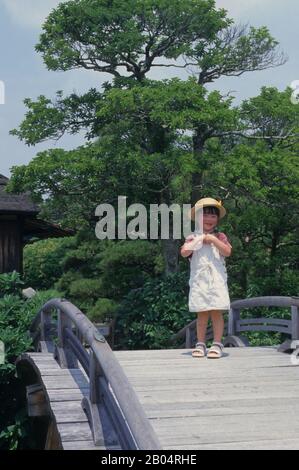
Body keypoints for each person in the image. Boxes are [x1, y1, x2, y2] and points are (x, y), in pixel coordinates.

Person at [181, 198, 232, 359]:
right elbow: (184, 252)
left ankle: (217, 343)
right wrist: (199, 240)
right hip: (199, 280)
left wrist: (213, 240)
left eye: (213, 216)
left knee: (216, 311)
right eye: (205, 215)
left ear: (217, 219)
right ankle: (201, 343)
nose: (209, 219)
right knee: (202, 312)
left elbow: (227, 252)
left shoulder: (220, 236)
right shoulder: (192, 237)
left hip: (217, 280)